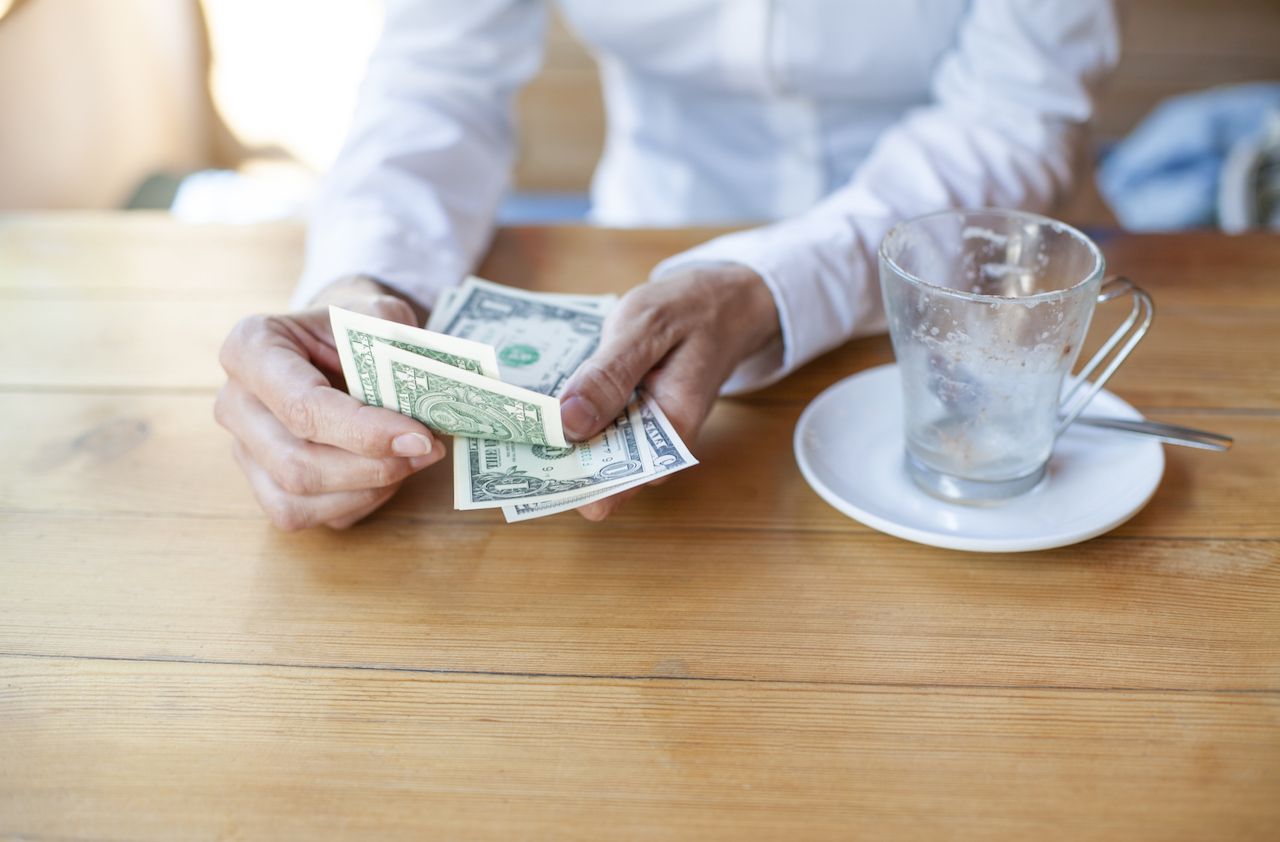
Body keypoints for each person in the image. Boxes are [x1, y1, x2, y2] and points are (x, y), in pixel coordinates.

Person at [216, 0, 1120, 530]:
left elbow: (1016, 115)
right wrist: (363, 282)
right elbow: (435, 80)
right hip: (641, 256)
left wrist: (771, 282)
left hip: (976, 301)